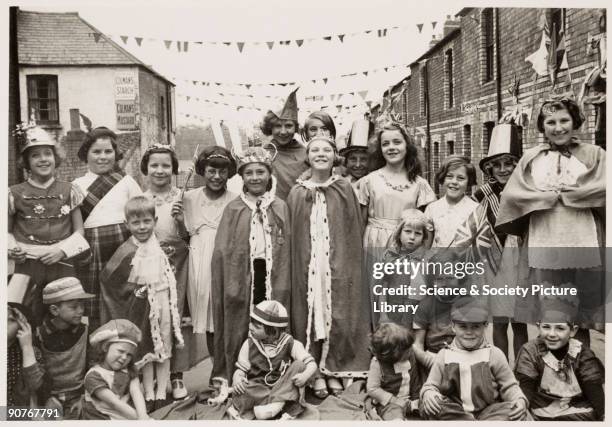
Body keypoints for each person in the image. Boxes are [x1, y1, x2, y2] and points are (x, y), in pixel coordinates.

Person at [496, 97, 606, 346]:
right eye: (551, 122)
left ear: (575, 121)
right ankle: (548, 375)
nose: (558, 127)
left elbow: (605, 188)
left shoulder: (595, 154)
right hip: (544, 240)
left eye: (564, 120)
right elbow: (513, 196)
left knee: (580, 317)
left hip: (582, 239)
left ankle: (582, 371)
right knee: (551, 314)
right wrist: (542, 198)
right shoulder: (531, 158)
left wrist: (574, 193)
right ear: (542, 126)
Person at [288, 135, 370, 398]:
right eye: (315, 150)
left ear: (335, 156)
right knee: (312, 311)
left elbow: (352, 231)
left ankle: (336, 368)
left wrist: (348, 264)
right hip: (308, 263)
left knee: (337, 310)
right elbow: (293, 233)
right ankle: (316, 371)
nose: (321, 154)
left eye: (327, 150)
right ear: (307, 156)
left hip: (338, 263)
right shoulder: (297, 191)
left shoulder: (344, 188)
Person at [211, 146, 291, 392]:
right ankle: (237, 371)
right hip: (242, 273)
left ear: (269, 174)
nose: (255, 177)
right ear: (242, 177)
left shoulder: (280, 206)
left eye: (260, 172)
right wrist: (232, 281)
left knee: (270, 321)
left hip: (272, 272)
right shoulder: (234, 208)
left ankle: (271, 371)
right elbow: (223, 251)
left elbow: (287, 245)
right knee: (241, 320)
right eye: (249, 173)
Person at [99, 196, 184, 410]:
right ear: (127, 224)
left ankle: (162, 390)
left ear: (155, 220)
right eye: (135, 223)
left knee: (164, 345)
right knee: (145, 345)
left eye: (146, 221)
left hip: (164, 303)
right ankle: (148, 393)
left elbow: (178, 262)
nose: (142, 227)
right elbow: (109, 278)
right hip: (138, 307)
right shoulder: (126, 250)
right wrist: (132, 291)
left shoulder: (164, 245)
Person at [141, 144, 208, 400]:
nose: (160, 170)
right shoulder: (140, 199)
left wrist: (181, 222)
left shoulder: (184, 198)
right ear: (146, 168)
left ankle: (177, 375)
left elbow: (191, 237)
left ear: (174, 169)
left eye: (166, 165)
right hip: (150, 264)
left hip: (178, 264)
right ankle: (151, 372)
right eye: (154, 165)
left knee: (177, 316)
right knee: (153, 315)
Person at [8, 124, 89, 325]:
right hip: (27, 264)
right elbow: (6, 231)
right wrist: (12, 248)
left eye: (48, 154)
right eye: (35, 155)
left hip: (61, 262)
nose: (43, 159)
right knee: (22, 313)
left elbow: (79, 230)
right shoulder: (14, 193)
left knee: (66, 314)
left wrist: (61, 251)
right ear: (26, 161)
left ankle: (64, 355)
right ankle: (28, 354)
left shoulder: (70, 190)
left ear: (56, 158)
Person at [358, 121, 436, 327]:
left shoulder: (420, 184)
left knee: (404, 297)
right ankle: (378, 347)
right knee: (377, 296)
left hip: (407, 247)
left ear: (407, 145)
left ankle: (405, 350)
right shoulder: (369, 181)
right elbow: (360, 221)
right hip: (375, 242)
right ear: (380, 149)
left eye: (397, 142)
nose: (391, 147)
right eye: (386, 144)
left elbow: (428, 226)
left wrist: (422, 256)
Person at [73, 126, 142, 331]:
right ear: (86, 154)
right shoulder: (76, 185)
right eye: (96, 151)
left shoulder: (127, 182)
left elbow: (140, 214)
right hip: (91, 249)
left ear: (116, 154)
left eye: (108, 151)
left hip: (123, 248)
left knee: (124, 299)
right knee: (94, 304)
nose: (103, 157)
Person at [172, 145, 237, 359]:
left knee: (227, 316)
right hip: (199, 262)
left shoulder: (235, 200)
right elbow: (185, 238)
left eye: (222, 172)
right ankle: (217, 370)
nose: (217, 177)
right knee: (210, 321)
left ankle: (231, 368)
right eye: (211, 171)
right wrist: (180, 222)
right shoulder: (189, 198)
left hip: (226, 262)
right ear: (203, 171)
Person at [420, 297, 529, 421]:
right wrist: (429, 393)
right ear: (453, 326)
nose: (469, 332)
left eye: (476, 327)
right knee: (431, 405)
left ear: (485, 325)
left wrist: (518, 399)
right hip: (455, 411)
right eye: (463, 327)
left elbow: (509, 386)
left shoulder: (494, 354)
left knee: (516, 411)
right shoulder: (444, 355)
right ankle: (468, 420)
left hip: (489, 412)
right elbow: (431, 385)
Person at [473, 122, 527, 360]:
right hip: (495, 262)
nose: (503, 170)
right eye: (498, 165)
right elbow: (478, 226)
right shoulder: (483, 194)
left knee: (520, 322)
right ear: (491, 169)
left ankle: (525, 370)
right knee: (499, 322)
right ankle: (501, 368)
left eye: (509, 164)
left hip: (521, 260)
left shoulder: (527, 190)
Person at [514, 294, 605, 421]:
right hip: (541, 412)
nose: (552, 334)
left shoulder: (582, 354)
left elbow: (594, 391)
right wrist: (522, 405)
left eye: (560, 328)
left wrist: (603, 415)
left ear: (573, 331)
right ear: (538, 326)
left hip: (578, 412)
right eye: (546, 327)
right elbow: (526, 387)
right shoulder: (530, 351)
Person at [228, 300, 317, 420]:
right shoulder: (249, 344)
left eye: (256, 326)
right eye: (251, 323)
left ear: (273, 331)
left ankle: (275, 405)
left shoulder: (290, 343)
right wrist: (237, 378)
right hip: (258, 388)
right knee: (242, 388)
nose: (250, 327)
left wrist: (305, 376)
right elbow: (240, 370)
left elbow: (311, 364)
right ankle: (276, 405)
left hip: (283, 387)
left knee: (299, 365)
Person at [36, 277, 94, 419]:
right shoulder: (39, 335)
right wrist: (46, 398)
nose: (80, 311)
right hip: (49, 398)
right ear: (55, 310)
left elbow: (92, 365)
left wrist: (85, 397)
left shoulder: (86, 331)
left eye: (82, 305)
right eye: (74, 307)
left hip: (79, 396)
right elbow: (37, 371)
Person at [82, 319, 149, 420]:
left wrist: (143, 416)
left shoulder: (129, 370)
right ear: (105, 347)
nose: (124, 358)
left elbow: (136, 392)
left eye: (129, 355)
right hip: (102, 417)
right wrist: (141, 420)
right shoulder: (94, 375)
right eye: (120, 351)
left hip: (127, 416)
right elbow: (114, 403)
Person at [378, 209, 433, 329]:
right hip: (393, 312)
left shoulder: (428, 259)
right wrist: (383, 316)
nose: (412, 237)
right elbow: (382, 287)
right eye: (408, 231)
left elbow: (431, 292)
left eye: (418, 233)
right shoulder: (389, 256)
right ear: (399, 232)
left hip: (417, 316)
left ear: (424, 237)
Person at [366, 322, 422, 420]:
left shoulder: (410, 355)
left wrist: (416, 399)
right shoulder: (378, 364)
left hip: (410, 400)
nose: (411, 350)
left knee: (432, 407)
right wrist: (394, 400)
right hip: (388, 403)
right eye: (407, 350)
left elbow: (415, 378)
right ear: (394, 355)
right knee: (394, 414)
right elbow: (372, 389)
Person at [260, 88, 308, 200]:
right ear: (270, 128)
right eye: (277, 126)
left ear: (295, 127)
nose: (283, 131)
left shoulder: (306, 153)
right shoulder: (263, 154)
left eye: (288, 125)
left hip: (300, 208)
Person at [424, 156, 478, 249]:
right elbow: (425, 247)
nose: (454, 182)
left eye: (460, 178)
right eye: (449, 176)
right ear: (443, 178)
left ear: (468, 181)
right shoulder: (432, 208)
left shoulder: (476, 210)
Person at [7, 303, 49, 411]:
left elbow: (37, 387)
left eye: (10, 320)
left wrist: (26, 347)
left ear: (23, 327)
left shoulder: (31, 352)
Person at [339, 118, 373, 188]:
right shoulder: (340, 185)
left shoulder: (377, 183)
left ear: (370, 161)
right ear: (346, 162)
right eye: (353, 159)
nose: (358, 165)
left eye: (363, 159)